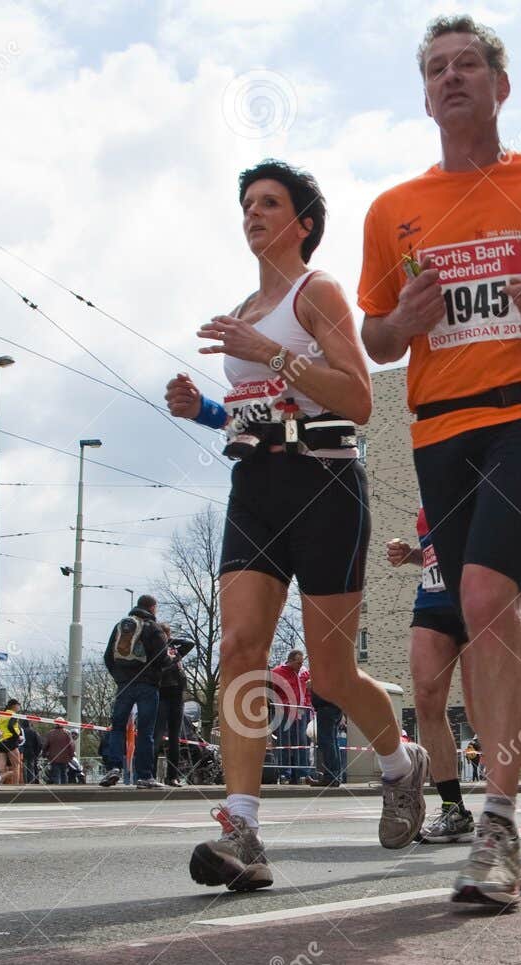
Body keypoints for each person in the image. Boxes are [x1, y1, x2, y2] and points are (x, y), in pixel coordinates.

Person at [358, 16, 521, 905]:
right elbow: (377, 338)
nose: (450, 77)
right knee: (487, 619)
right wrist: (405, 321)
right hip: (440, 421)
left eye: (467, 63)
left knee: (481, 595)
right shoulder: (392, 209)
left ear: (501, 86)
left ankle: (498, 824)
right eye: (434, 67)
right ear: (424, 92)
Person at [166, 158, 427, 892]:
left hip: (324, 483)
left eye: (268, 202)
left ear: (303, 222)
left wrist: (272, 353)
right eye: (245, 202)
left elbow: (357, 397)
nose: (251, 213)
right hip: (255, 483)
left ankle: (401, 763)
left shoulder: (320, 293)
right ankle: (243, 827)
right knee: (239, 645)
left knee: (331, 672)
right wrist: (204, 408)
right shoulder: (245, 308)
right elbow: (263, 406)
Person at [386, 508, 477, 837]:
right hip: (432, 603)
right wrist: (412, 554)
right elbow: (436, 551)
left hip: (478, 602)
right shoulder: (431, 490)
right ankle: (454, 809)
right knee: (425, 701)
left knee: (481, 709)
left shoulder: (487, 474)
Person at [104, 595, 169, 788]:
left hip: (124, 685)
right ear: (152, 607)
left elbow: (108, 656)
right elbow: (161, 658)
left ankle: (113, 767)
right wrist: (168, 665)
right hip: (147, 686)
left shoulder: (120, 627)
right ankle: (144, 776)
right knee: (146, 731)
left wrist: (120, 678)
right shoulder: (152, 628)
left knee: (117, 727)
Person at [155, 624, 194, 787]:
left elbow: (189, 643)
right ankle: (149, 774)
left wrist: (170, 640)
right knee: (156, 736)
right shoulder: (154, 650)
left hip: (177, 695)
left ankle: (172, 776)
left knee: (175, 739)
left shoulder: (173, 649)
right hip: (162, 693)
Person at [268, 649, 307, 784]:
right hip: (284, 713)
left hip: (300, 712)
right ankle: (285, 773)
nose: (300, 665)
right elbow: (269, 691)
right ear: (290, 661)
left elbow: (307, 689)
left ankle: (300, 774)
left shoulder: (302, 672)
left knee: (301, 744)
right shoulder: (277, 673)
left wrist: (307, 704)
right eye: (298, 663)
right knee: (285, 743)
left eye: (302, 663)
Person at [0, 700, 24, 786]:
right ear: (14, 706)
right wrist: (17, 736)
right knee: (16, 766)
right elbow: (10, 726)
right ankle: (15, 786)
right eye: (19, 705)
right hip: (11, 741)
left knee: (1, 767)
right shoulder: (13, 714)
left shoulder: (2, 715)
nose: (19, 707)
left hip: (1, 742)